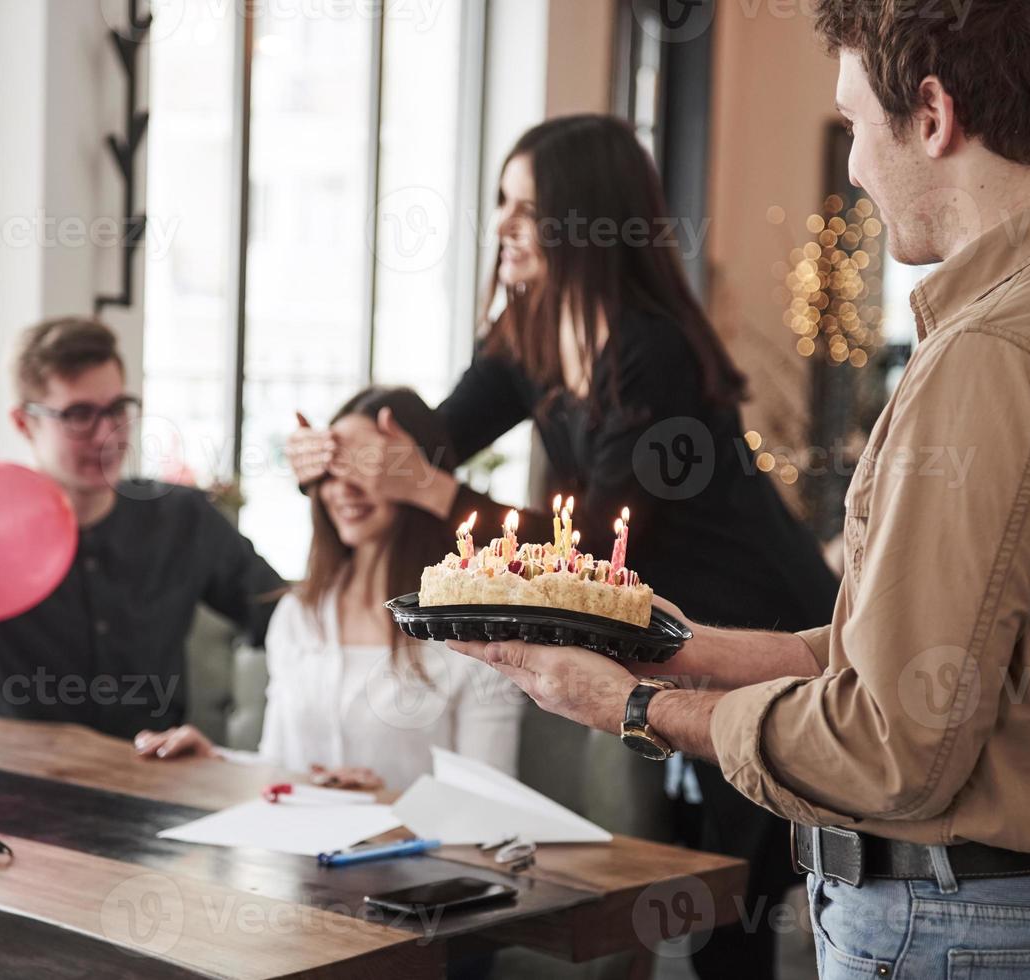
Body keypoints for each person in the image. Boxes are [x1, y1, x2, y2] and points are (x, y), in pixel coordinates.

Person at [446, 2, 1030, 978]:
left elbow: (884, 743)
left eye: (853, 124)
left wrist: (631, 705)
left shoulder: (994, 356)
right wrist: (686, 648)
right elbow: (906, 659)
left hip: (955, 936)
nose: (850, 164)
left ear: (931, 114)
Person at [289, 116, 838, 974]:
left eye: (525, 209)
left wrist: (428, 485)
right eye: (501, 203)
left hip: (762, 627)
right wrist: (332, 456)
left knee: (734, 916)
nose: (501, 227)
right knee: (683, 897)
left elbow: (590, 542)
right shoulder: (527, 337)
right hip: (665, 637)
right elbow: (430, 439)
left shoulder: (655, 355)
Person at [0, 318, 284, 740]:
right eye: (78, 415)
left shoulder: (184, 519)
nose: (106, 433)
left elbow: (288, 621)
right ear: (23, 422)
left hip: (151, 786)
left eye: (117, 409)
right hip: (8, 793)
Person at [137, 387, 523, 792]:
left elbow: (492, 801)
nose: (343, 488)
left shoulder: (475, 632)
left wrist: (387, 802)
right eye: (332, 469)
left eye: (365, 467)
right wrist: (215, 762)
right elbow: (279, 765)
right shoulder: (299, 614)